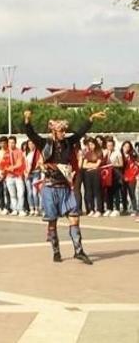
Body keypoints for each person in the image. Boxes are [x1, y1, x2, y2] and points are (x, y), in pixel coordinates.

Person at [23, 109, 105, 264]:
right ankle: (56, 251)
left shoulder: (68, 142)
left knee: (75, 219)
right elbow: (31, 135)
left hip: (66, 188)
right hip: (50, 187)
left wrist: (90, 118)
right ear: (53, 131)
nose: (63, 133)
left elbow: (80, 133)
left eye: (64, 131)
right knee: (52, 221)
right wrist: (27, 120)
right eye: (61, 131)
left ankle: (78, 250)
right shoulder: (45, 144)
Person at [1, 136, 26, 216]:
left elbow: (20, 164)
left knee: (20, 193)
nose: (11, 144)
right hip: (9, 176)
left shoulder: (19, 152)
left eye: (13, 142)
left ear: (15, 143)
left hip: (18, 176)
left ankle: (21, 209)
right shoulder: (6, 153)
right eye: (10, 142)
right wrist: (5, 170)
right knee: (12, 194)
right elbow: (3, 164)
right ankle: (14, 209)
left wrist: (11, 168)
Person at [82, 138, 104, 217]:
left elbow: (97, 164)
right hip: (88, 174)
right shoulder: (88, 153)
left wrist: (90, 165)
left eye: (92, 144)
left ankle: (99, 209)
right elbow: (84, 165)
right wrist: (92, 165)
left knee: (97, 191)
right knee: (89, 192)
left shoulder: (99, 152)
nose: (91, 146)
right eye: (89, 145)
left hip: (96, 173)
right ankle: (91, 209)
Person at [105, 139, 124, 216]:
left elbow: (121, 164)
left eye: (111, 145)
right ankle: (109, 208)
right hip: (107, 174)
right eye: (108, 145)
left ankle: (117, 209)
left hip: (115, 173)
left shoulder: (117, 153)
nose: (109, 147)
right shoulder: (105, 152)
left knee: (116, 191)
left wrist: (113, 165)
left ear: (113, 145)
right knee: (108, 192)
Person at [24, 140, 43, 216]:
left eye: (32, 143)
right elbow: (24, 164)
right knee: (30, 193)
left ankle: (37, 208)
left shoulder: (38, 153)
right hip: (27, 175)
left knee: (35, 192)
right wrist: (25, 172)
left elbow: (38, 163)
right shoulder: (27, 154)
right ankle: (31, 208)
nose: (31, 145)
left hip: (35, 173)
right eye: (29, 144)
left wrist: (30, 170)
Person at [120, 141, 138, 216]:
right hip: (123, 176)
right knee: (123, 193)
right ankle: (125, 209)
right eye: (125, 146)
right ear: (122, 147)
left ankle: (134, 209)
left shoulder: (133, 155)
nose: (126, 148)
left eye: (128, 147)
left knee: (132, 193)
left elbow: (136, 164)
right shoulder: (120, 155)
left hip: (131, 177)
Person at [0, 136, 11, 215]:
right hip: (0, 173)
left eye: (4, 143)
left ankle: (7, 208)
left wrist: (4, 173)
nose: (3, 145)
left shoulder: (9, 152)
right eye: (1, 143)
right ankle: (1, 206)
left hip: (7, 173)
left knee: (6, 191)